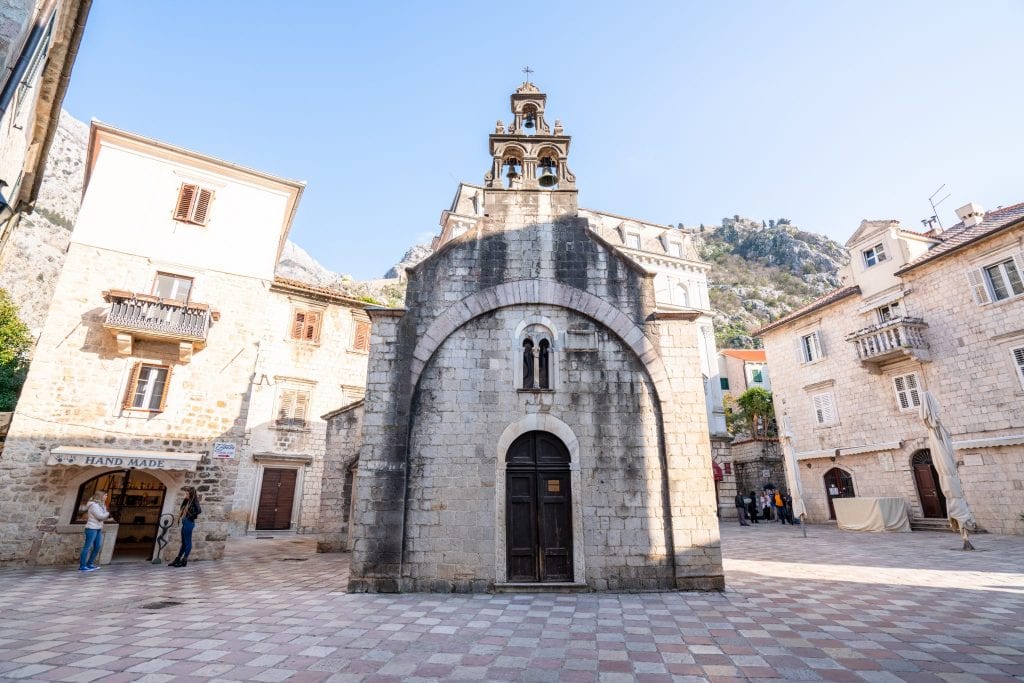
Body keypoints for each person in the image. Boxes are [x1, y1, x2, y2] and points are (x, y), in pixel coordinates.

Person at [79, 490, 112, 572]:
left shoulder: (102, 505)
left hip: (98, 528)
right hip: (91, 528)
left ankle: (90, 564)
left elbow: (103, 516)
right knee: (87, 547)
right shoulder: (94, 505)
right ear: (100, 496)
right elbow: (100, 516)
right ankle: (82, 566)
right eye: (105, 495)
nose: (106, 497)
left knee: (97, 547)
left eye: (106, 495)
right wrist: (108, 513)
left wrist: (106, 514)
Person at [169, 486, 201, 567]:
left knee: (187, 542)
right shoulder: (187, 501)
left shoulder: (194, 502)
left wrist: (190, 517)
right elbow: (182, 509)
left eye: (187, 493)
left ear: (191, 494)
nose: (185, 494)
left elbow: (199, 510)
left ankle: (184, 560)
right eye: (185, 493)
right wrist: (185, 499)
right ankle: (178, 559)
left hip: (189, 523)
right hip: (185, 522)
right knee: (183, 542)